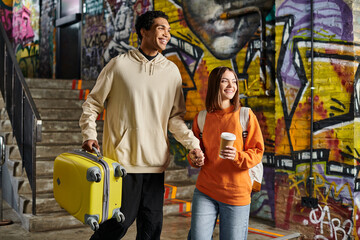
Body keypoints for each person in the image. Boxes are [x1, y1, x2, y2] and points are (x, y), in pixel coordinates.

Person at [79, 10, 204, 240]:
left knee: (151, 228)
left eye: (168, 30)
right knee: (118, 224)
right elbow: (93, 103)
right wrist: (89, 133)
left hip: (155, 164)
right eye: (160, 28)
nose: (166, 34)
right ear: (143, 31)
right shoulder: (118, 66)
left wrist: (192, 145)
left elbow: (174, 118)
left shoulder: (171, 71)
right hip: (123, 163)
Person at [187, 66, 264, 240]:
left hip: (236, 193)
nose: (231, 85)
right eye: (224, 81)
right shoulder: (202, 118)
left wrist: (237, 156)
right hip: (205, 190)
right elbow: (195, 152)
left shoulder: (245, 115)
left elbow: (258, 151)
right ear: (215, 84)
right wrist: (194, 158)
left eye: (234, 81)